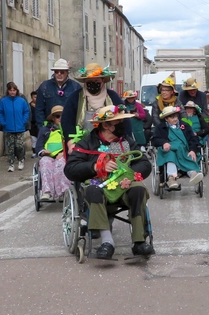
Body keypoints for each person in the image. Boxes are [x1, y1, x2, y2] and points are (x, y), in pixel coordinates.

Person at [64, 105, 153, 260]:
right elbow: (71, 169)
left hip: (124, 185)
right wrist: (96, 166)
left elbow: (145, 164)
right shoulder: (86, 143)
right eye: (119, 122)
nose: (124, 126)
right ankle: (107, 242)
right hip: (98, 185)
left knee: (138, 188)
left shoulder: (127, 142)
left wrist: (130, 175)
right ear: (106, 125)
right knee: (93, 190)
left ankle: (139, 242)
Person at [61, 63, 131, 151]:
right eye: (90, 82)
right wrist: (71, 143)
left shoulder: (113, 97)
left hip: (110, 143)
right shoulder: (75, 97)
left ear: (103, 81)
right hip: (82, 144)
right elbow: (67, 122)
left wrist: (124, 140)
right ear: (85, 82)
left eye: (97, 82)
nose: (93, 84)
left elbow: (125, 121)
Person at [151, 106, 204, 189]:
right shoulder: (160, 127)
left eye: (176, 116)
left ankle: (193, 174)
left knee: (189, 154)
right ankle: (171, 178)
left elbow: (193, 139)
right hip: (169, 149)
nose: (175, 119)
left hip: (184, 148)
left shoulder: (185, 126)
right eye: (172, 117)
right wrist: (163, 143)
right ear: (166, 119)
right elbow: (154, 140)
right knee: (170, 155)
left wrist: (193, 150)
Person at [35, 105, 72, 200]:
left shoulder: (69, 129)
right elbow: (38, 146)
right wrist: (43, 152)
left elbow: (74, 144)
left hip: (63, 154)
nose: (60, 118)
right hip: (48, 155)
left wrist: (64, 153)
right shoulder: (44, 130)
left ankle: (64, 191)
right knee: (44, 162)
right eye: (57, 116)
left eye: (62, 116)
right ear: (53, 118)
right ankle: (47, 192)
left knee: (62, 163)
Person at [34, 58, 81, 128]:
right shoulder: (44, 86)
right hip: (50, 127)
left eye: (62, 72)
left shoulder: (76, 87)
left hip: (70, 126)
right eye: (56, 72)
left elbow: (80, 109)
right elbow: (39, 109)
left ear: (67, 72)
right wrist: (41, 128)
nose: (59, 74)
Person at [0, 82, 30, 172]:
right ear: (8, 91)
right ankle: (11, 163)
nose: (12, 92)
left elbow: (26, 111)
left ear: (16, 91)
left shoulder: (21, 101)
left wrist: (23, 121)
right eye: (10, 90)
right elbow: (0, 112)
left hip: (20, 127)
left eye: (14, 90)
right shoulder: (4, 101)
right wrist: (3, 123)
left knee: (19, 145)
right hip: (8, 128)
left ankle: (21, 160)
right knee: (10, 147)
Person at [28, 91, 39, 158]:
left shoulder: (40, 105)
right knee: (33, 138)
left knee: (40, 138)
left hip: (39, 124)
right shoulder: (29, 106)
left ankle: (39, 151)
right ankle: (34, 152)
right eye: (35, 97)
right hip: (32, 124)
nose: (36, 99)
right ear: (32, 98)